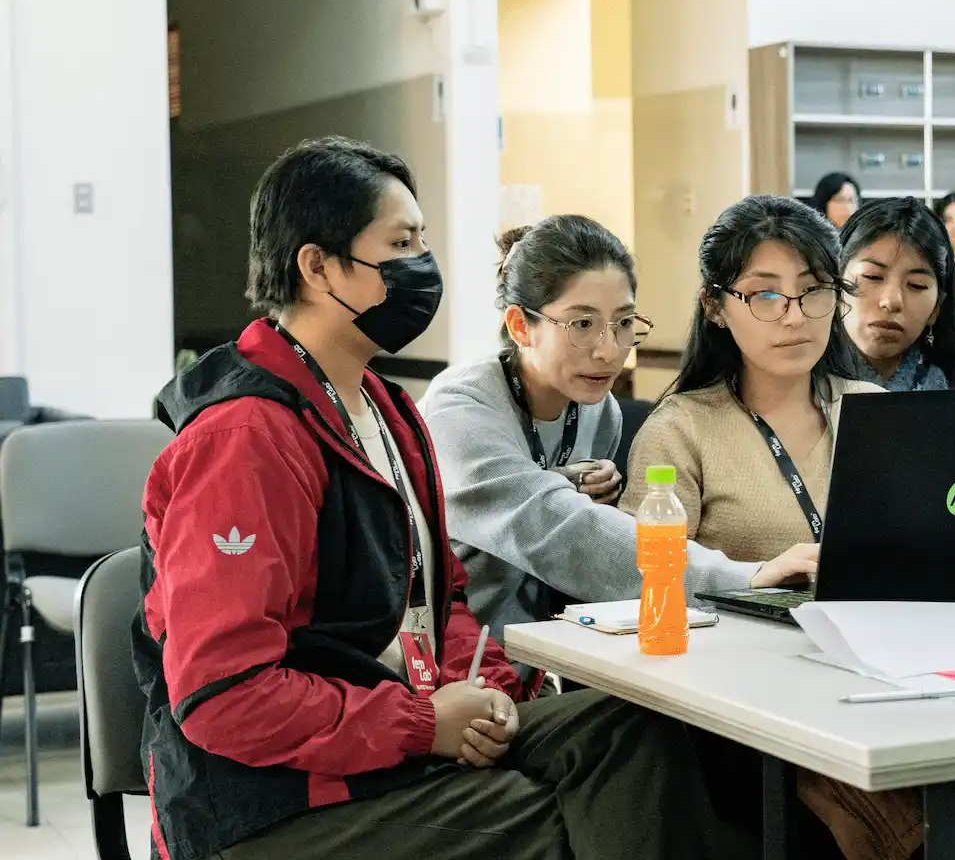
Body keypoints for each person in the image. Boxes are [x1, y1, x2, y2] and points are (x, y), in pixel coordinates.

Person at [135, 137, 747, 860]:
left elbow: (438, 599)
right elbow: (223, 696)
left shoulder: (388, 412)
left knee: (633, 731)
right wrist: (422, 725)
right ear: (318, 266)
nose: (424, 268)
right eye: (400, 244)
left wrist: (488, 693)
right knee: (566, 820)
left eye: (423, 242)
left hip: (386, 741)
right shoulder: (246, 437)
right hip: (269, 806)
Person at [620, 195, 920, 860]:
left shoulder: (875, 411)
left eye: (814, 293)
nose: (795, 316)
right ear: (715, 306)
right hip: (747, 704)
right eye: (765, 296)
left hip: (884, 673)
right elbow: (644, 588)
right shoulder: (680, 430)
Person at [420, 216, 815, 658]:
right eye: (582, 324)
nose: (609, 350)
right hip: (442, 669)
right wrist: (740, 578)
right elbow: (556, 528)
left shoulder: (598, 410)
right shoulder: (460, 409)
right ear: (519, 326)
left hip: (534, 657)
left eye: (624, 322)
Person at [838, 196, 955, 390]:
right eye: (872, 276)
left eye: (916, 285)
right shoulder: (804, 376)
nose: (891, 301)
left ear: (937, 306)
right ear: (834, 283)